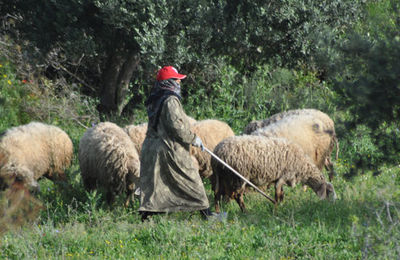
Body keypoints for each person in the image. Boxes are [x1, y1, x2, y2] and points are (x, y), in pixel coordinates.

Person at [138, 66, 213, 221]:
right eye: (177, 79)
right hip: (169, 148)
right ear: (170, 82)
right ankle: (208, 215)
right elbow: (176, 126)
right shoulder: (170, 100)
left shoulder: (154, 97)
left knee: (156, 184)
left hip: (152, 146)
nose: (180, 82)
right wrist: (193, 139)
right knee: (191, 179)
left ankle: (146, 218)